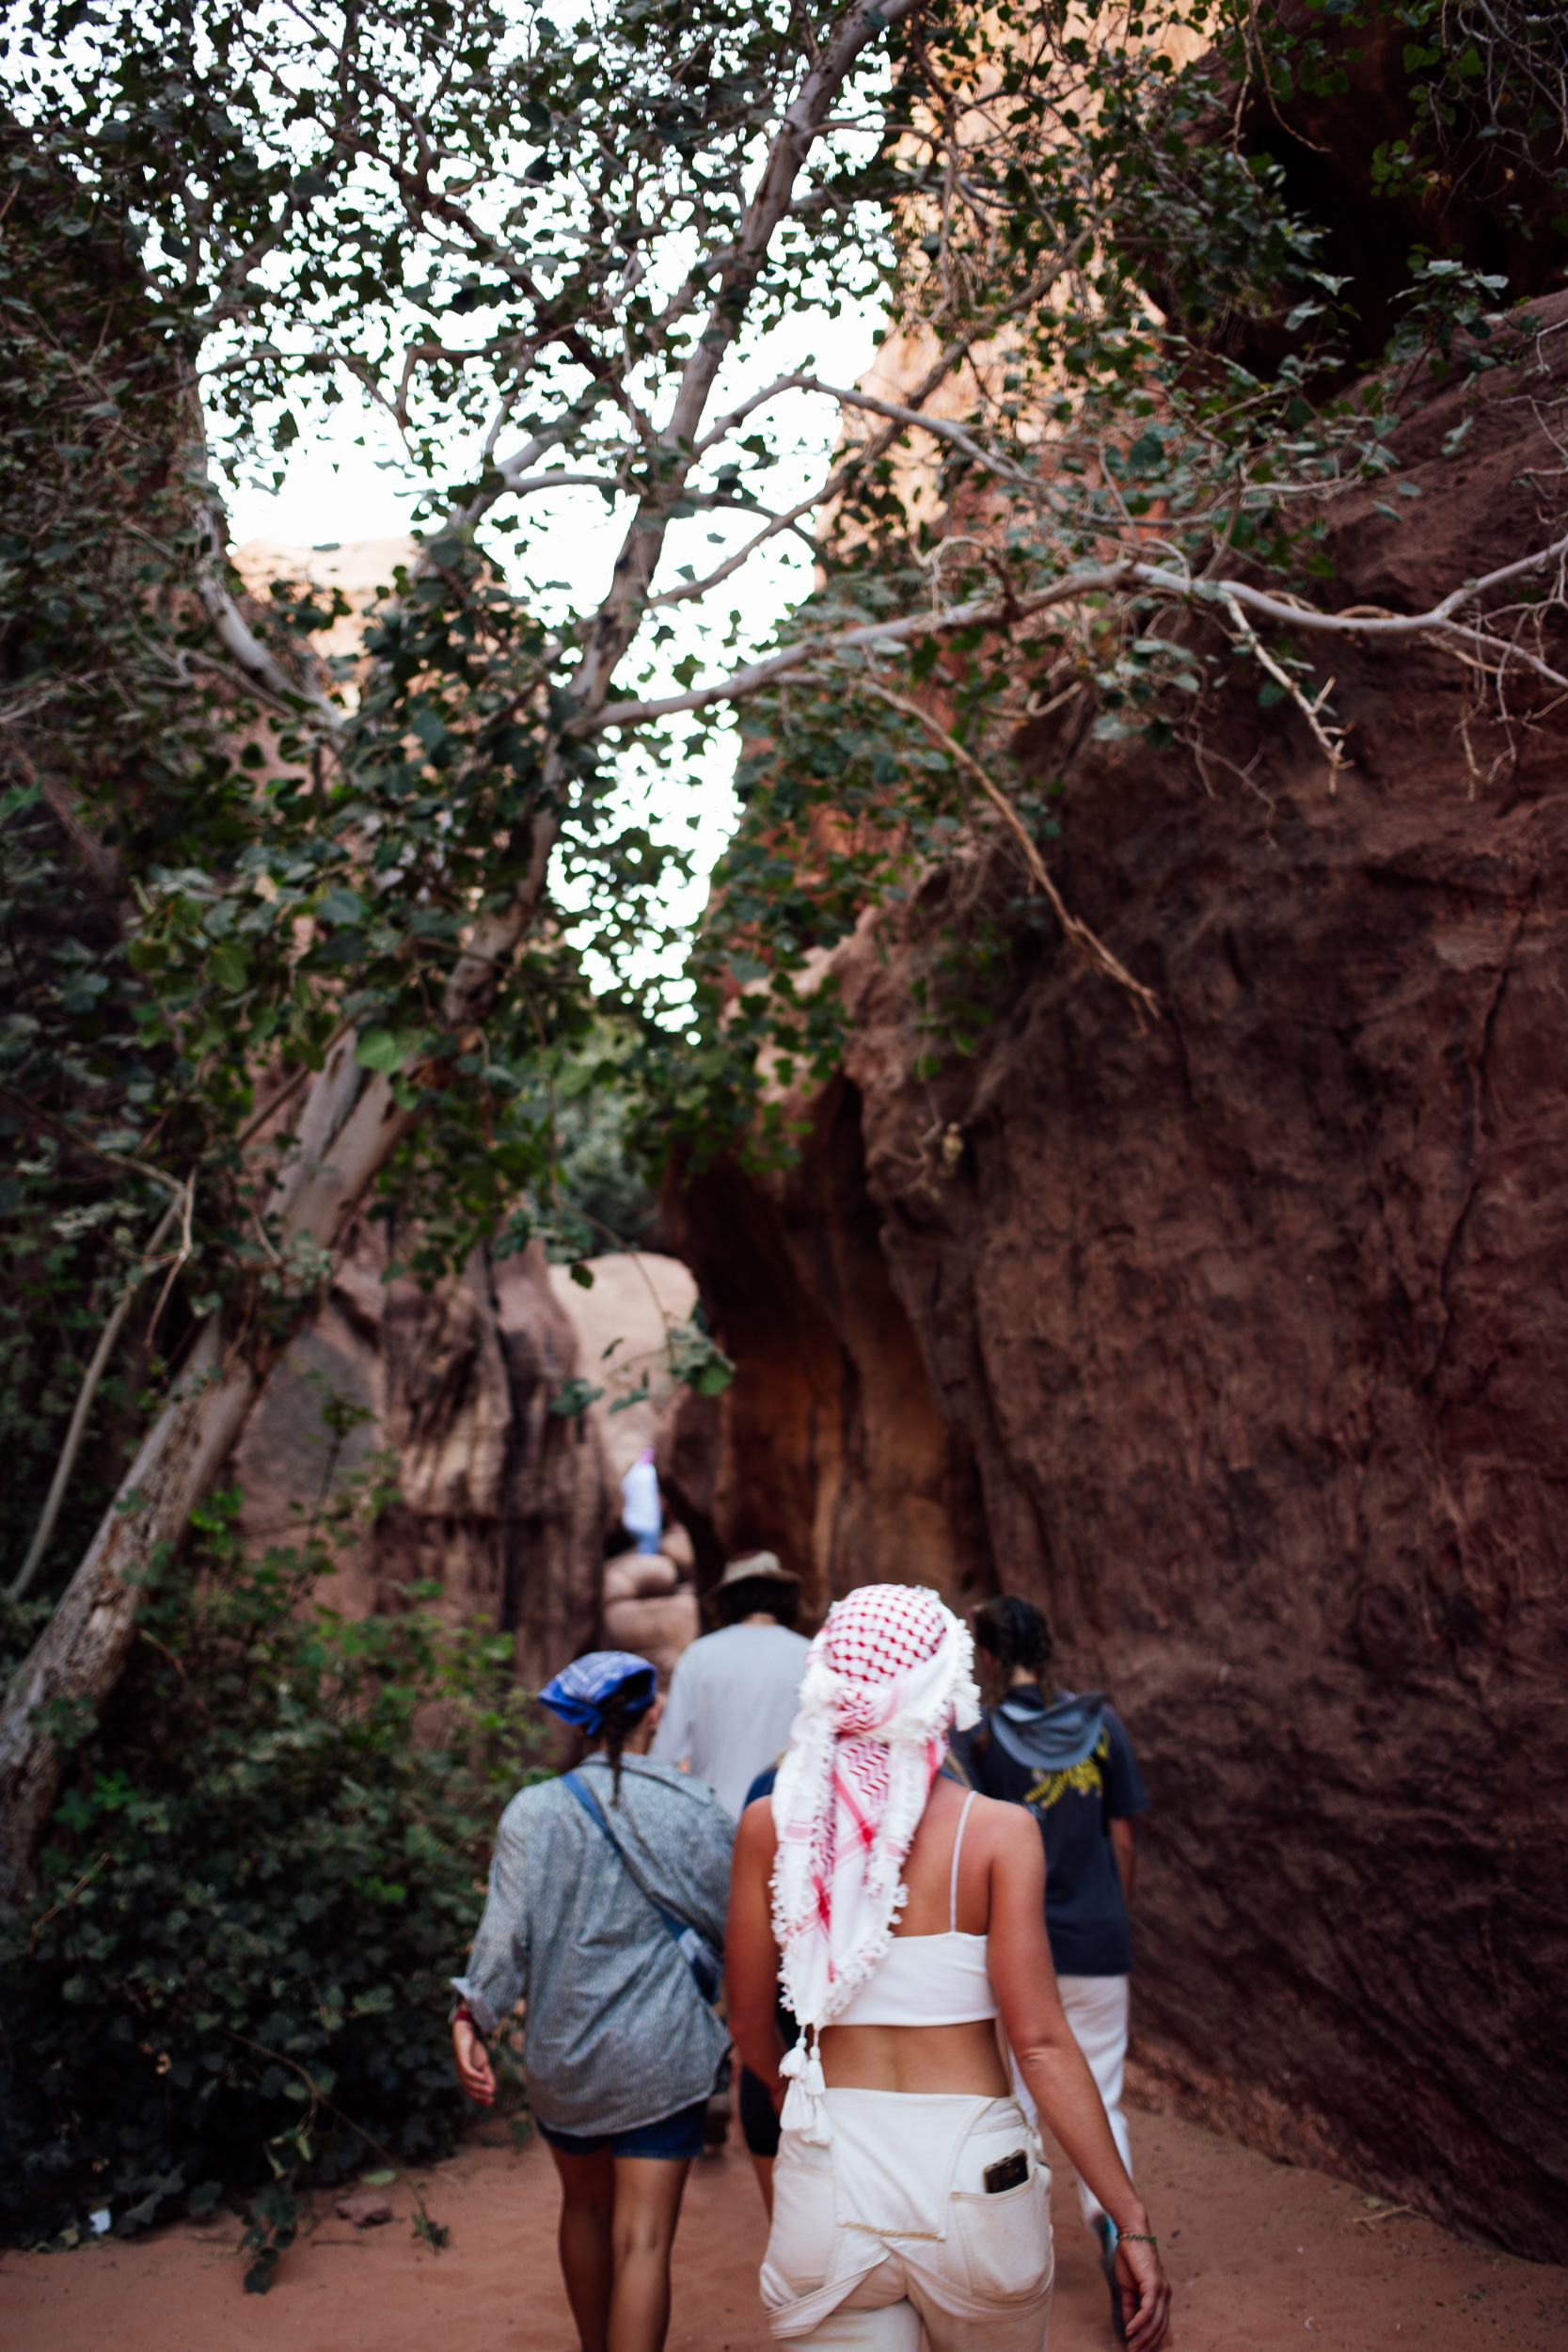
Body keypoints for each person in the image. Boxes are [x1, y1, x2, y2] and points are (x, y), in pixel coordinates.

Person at [726, 1583, 1171, 2352]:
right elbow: (1039, 2044)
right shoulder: (997, 1833)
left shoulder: (771, 1826)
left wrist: (780, 2084)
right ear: (942, 1690)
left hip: (827, 2182)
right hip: (975, 2183)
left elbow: (747, 2019)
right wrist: (1127, 2219)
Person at [451, 1651, 734, 2352]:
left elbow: (503, 1936)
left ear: (579, 1723)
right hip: (663, 2052)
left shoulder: (533, 1810)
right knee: (643, 2239)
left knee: (581, 2206)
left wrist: (471, 2015)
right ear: (652, 1714)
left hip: (564, 2051)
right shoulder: (694, 1808)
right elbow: (734, 1926)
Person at [957, 1594, 1148, 2343]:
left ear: (991, 1660)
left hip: (1019, 1946)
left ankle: (1015, 2258)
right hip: (1098, 1940)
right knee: (1099, 2092)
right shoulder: (1103, 1725)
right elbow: (1123, 1840)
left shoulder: (979, 1742)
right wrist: (1112, 1915)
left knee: (1017, 2099)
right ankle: (1115, 2232)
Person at [651, 1550, 811, 1820]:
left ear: (728, 1599)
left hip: (712, 1821)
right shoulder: (810, 1656)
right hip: (789, 1821)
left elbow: (665, 1755)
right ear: (784, 1596)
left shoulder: (700, 1655)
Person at [621, 1445, 664, 1556]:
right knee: (648, 1556)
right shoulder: (652, 1472)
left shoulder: (634, 1471)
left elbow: (623, 1491)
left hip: (630, 1521)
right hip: (648, 1522)